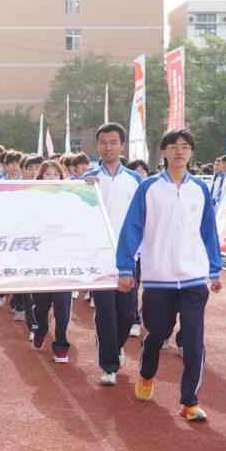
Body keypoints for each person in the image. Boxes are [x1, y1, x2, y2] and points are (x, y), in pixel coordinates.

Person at [116, 129, 222, 422]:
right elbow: (131, 228)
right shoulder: (149, 187)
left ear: (191, 152)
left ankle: (190, 402)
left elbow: (209, 231)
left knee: (194, 340)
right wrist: (125, 268)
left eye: (185, 147)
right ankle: (147, 374)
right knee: (157, 334)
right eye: (174, 146)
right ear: (163, 152)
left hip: (193, 278)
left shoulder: (200, 188)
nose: (180, 151)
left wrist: (214, 269)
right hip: (158, 277)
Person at [83, 122, 143, 386]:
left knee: (127, 314)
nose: (108, 147)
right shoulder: (87, 180)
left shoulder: (135, 180)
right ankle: (108, 366)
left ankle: (116, 346)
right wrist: (85, 188)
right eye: (103, 142)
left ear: (122, 146)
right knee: (105, 312)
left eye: (113, 142)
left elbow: (144, 217)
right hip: (99, 258)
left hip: (128, 257)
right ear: (98, 146)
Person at [25, 160, 74, 362]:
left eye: (55, 174)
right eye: (47, 174)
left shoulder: (71, 197)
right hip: (41, 262)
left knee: (63, 306)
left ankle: (61, 345)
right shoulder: (32, 198)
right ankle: (40, 329)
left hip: (64, 262)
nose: (52, 177)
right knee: (41, 305)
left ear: (61, 177)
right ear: (41, 176)